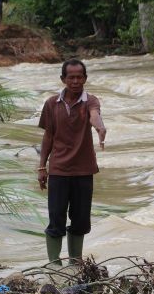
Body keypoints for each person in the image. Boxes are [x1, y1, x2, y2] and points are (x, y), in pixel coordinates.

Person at [37, 59, 107, 265]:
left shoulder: (90, 101)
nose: (76, 81)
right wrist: (42, 167)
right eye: (71, 77)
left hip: (84, 170)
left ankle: (75, 263)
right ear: (63, 79)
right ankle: (54, 264)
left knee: (81, 220)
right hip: (58, 169)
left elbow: (95, 116)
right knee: (56, 218)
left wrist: (100, 128)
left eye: (80, 77)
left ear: (85, 78)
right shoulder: (51, 104)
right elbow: (48, 136)